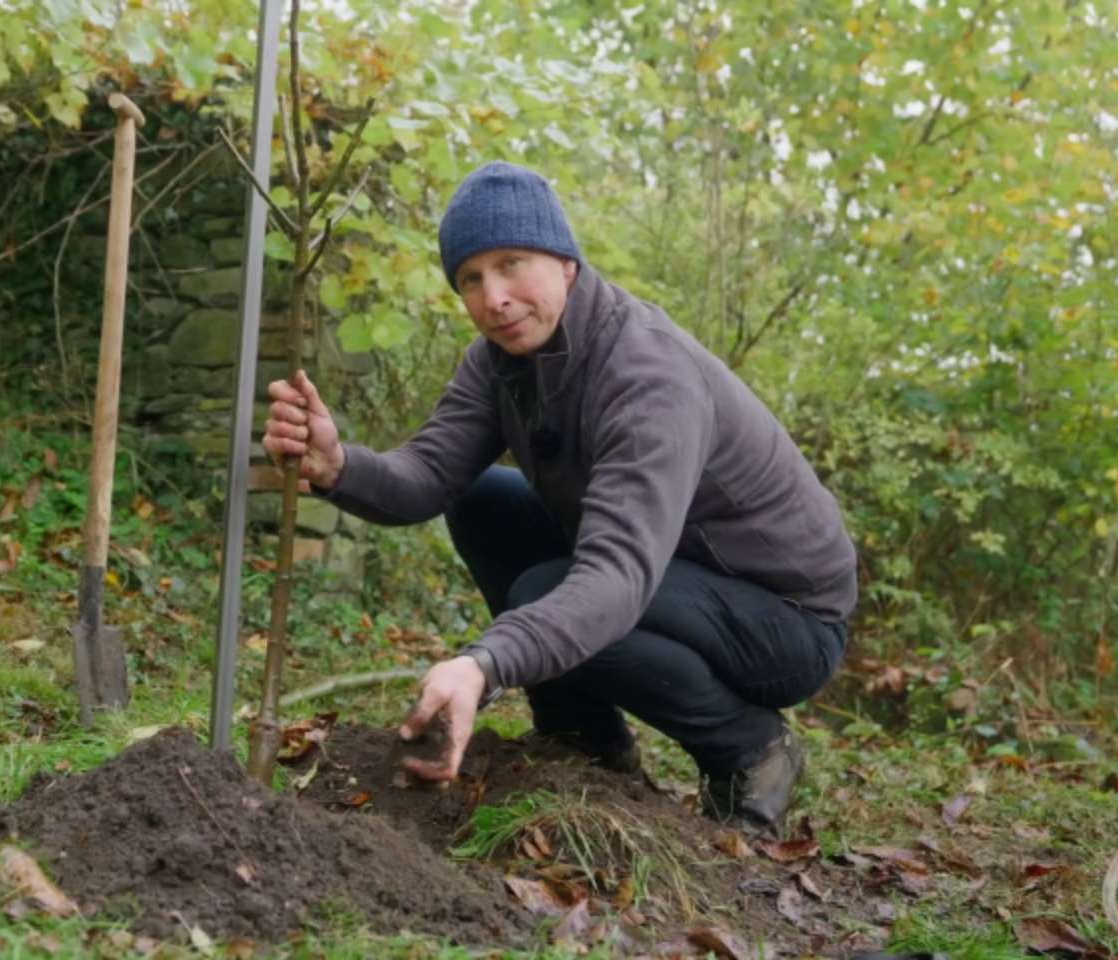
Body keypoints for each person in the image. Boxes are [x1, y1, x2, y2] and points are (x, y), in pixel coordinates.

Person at [261, 162, 856, 833]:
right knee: (484, 500)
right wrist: (337, 466)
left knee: (546, 589)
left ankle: (751, 747)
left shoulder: (645, 375)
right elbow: (428, 472)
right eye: (471, 279)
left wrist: (485, 664)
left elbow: (618, 574)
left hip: (785, 617)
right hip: (676, 575)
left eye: (513, 263)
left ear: (566, 262)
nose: (494, 298)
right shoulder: (497, 362)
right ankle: (584, 735)